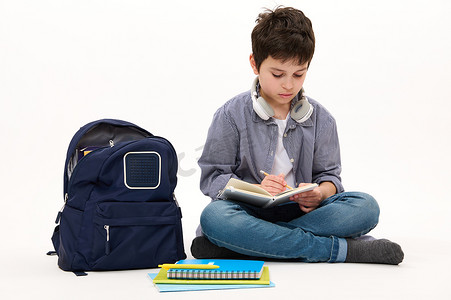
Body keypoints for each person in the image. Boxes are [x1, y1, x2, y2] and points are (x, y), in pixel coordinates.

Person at [191, 6, 404, 264]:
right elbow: (213, 178)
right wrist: (256, 190)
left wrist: (319, 193)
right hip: (248, 214)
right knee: (215, 218)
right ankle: (341, 250)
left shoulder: (322, 119)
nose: (289, 85)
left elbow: (330, 179)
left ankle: (245, 245)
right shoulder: (230, 115)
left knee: (366, 207)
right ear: (254, 64)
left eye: (299, 74)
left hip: (304, 214)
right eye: (278, 74)